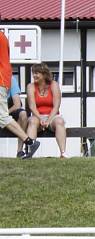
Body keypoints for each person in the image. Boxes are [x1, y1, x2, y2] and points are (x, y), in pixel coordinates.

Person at [0, 27, 39, 157]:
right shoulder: (2, 37)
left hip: (0, 80)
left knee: (2, 116)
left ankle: (29, 142)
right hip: (3, 79)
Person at [25, 63, 68, 158]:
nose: (34, 76)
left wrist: (48, 120)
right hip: (37, 115)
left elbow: (56, 106)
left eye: (37, 73)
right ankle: (29, 152)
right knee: (32, 121)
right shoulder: (30, 86)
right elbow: (32, 106)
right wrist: (40, 119)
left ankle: (63, 153)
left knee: (59, 121)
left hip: (52, 116)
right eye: (33, 73)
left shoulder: (54, 85)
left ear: (44, 74)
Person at [8, 75, 28, 158]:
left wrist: (4, 114)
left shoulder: (10, 79)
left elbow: (17, 105)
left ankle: (19, 151)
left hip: (8, 109)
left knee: (23, 114)